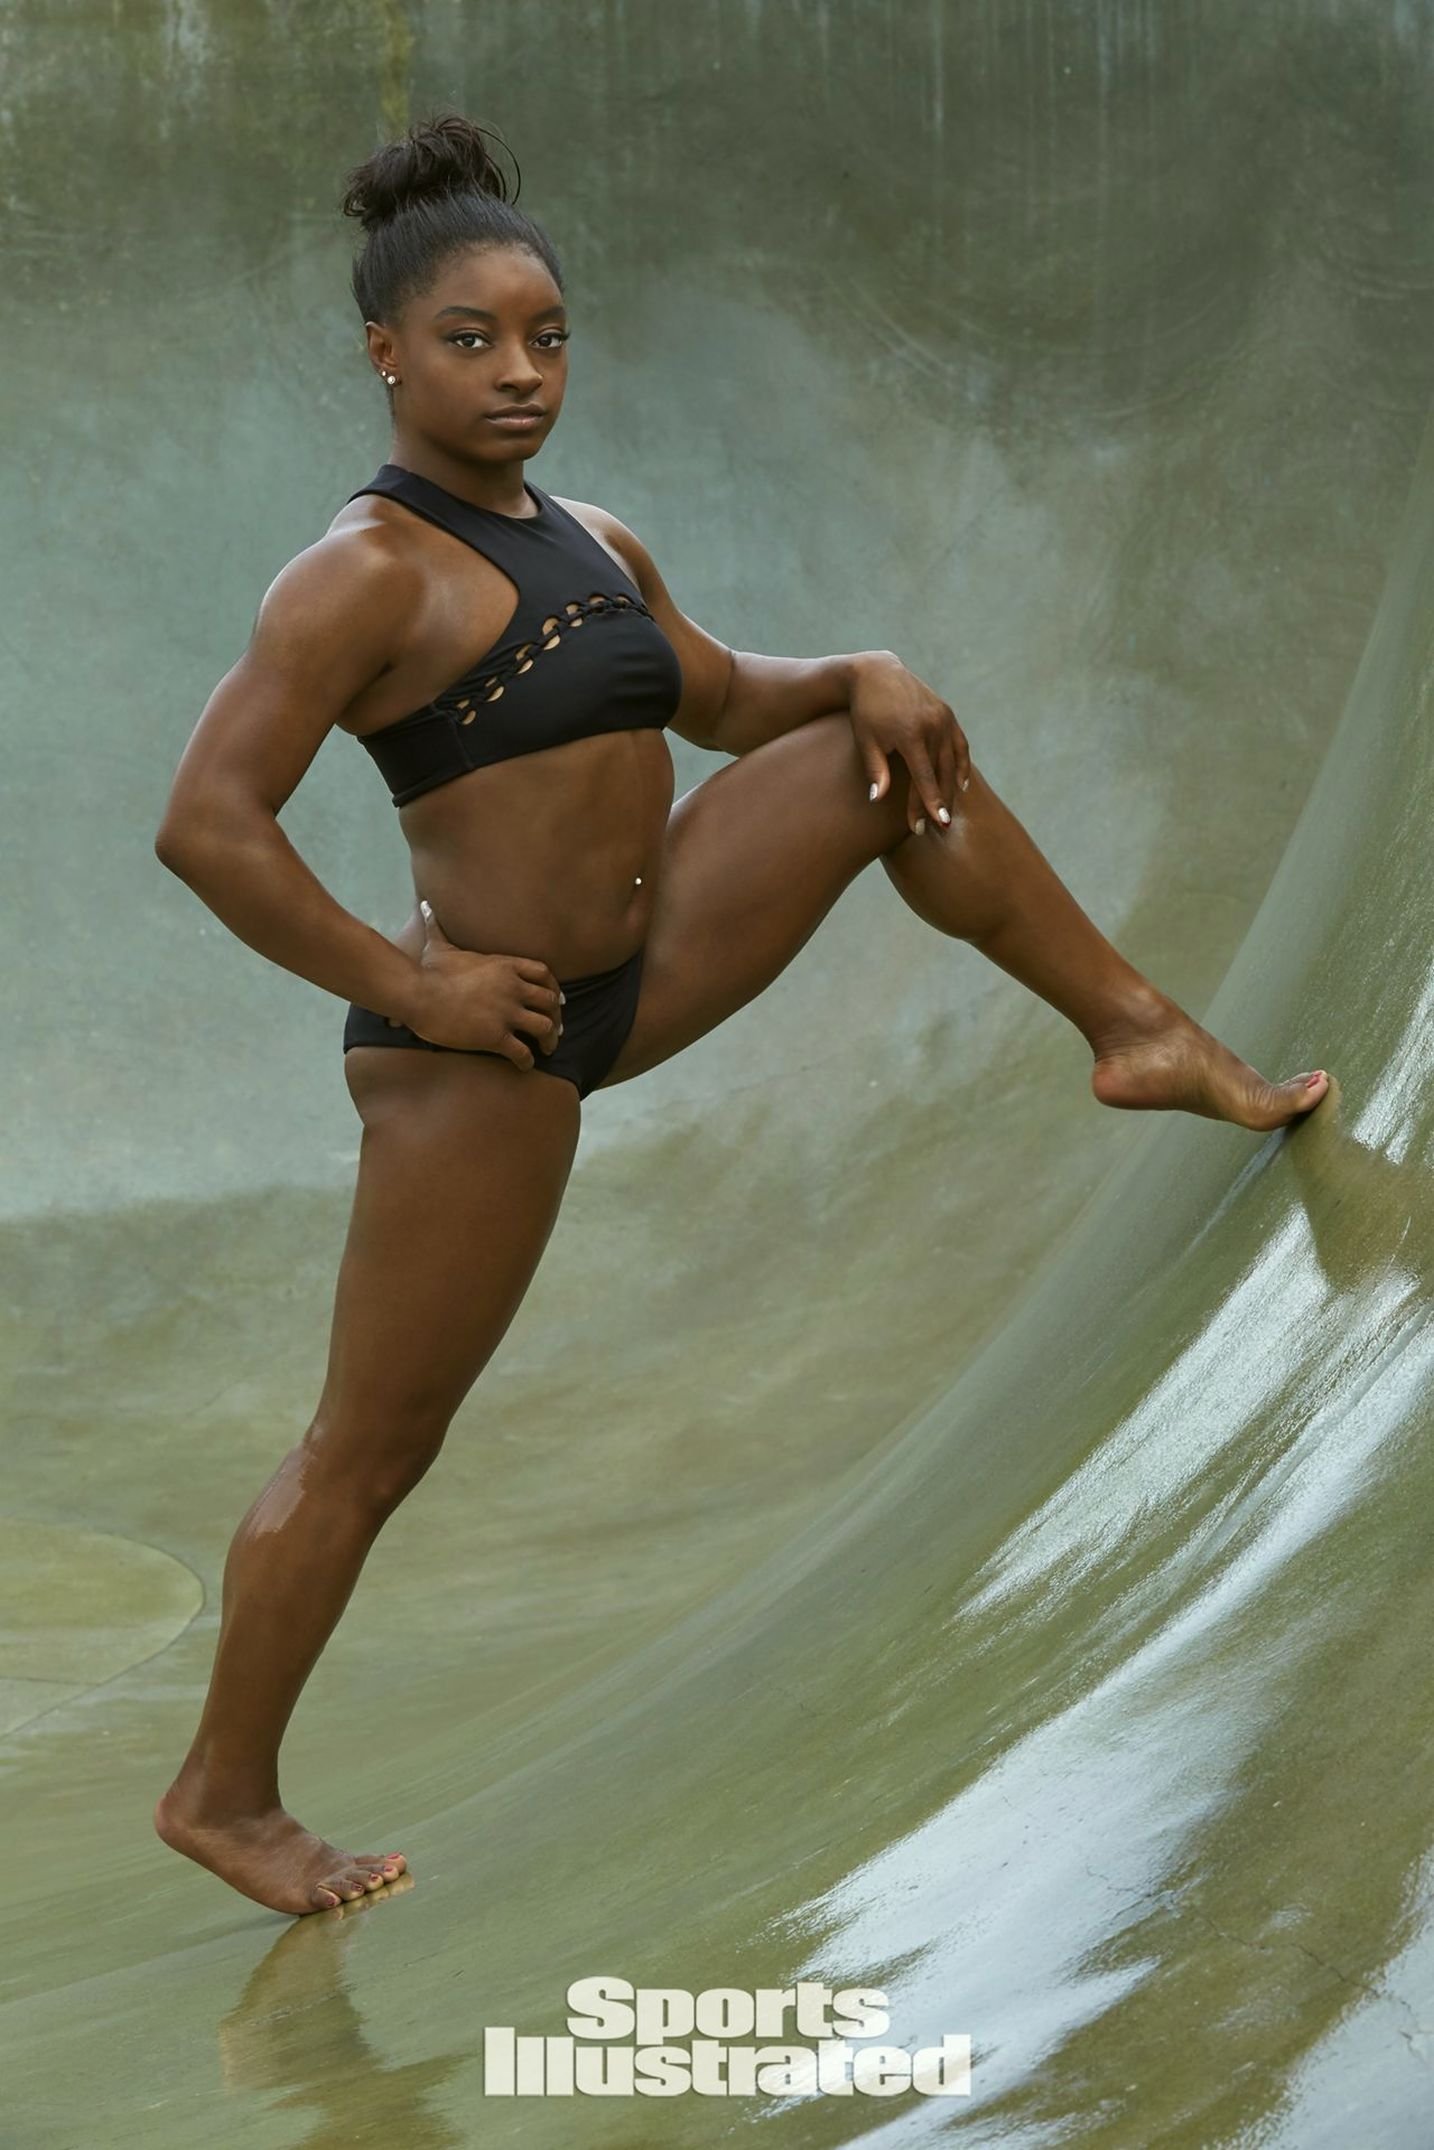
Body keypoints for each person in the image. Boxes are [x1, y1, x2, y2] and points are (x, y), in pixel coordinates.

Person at [150, 110, 1330, 1918]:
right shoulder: (360, 575)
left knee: (876, 753)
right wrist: (416, 983)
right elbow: (206, 824)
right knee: (372, 1448)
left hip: (652, 961)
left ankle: (1137, 1031)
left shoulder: (595, 538)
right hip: (484, 1053)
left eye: (547, 337)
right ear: (385, 352)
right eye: (471, 340)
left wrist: (859, 666)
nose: (519, 371)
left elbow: (720, 701)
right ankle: (223, 1792)